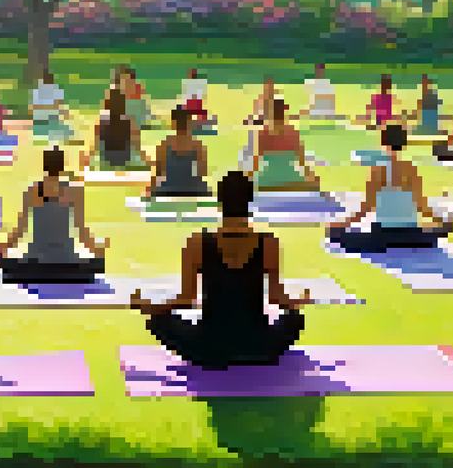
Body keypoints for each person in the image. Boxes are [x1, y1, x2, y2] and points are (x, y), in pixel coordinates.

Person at [129, 172, 312, 370]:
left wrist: (150, 307)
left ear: (220, 202)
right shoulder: (268, 243)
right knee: (295, 318)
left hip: (207, 347)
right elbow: (277, 298)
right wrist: (297, 302)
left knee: (157, 320)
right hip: (258, 347)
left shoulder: (197, 242)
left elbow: (187, 298)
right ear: (250, 202)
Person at [0, 148, 108, 284]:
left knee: (9, 264)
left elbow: (19, 233)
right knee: (92, 265)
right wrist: (99, 250)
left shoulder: (31, 191)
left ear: (44, 166)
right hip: (66, 261)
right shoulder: (74, 192)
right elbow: (82, 234)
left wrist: (2, 248)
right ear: (62, 167)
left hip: (36, 262)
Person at [328, 124, 452, 252]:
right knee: (428, 234)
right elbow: (421, 205)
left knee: (337, 236)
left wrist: (344, 224)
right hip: (412, 234)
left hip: (384, 235)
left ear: (383, 141)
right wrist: (440, 220)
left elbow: (368, 206)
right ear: (404, 143)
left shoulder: (378, 169)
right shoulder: (411, 170)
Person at [250, 98, 320, 192]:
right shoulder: (293, 133)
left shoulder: (263, 134)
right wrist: (312, 179)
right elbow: (302, 162)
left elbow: (256, 163)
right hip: (291, 180)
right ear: (284, 114)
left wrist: (248, 178)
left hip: (267, 180)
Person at [147, 107, 212, 198]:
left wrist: (151, 190)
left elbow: (158, 172)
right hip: (193, 189)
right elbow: (202, 172)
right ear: (189, 123)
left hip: (169, 189)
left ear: (174, 123)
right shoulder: (198, 146)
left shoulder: (164, 145)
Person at [88, 89, 146, 169]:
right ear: (123, 106)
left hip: (107, 160)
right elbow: (135, 145)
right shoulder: (127, 123)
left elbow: (98, 145)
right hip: (124, 160)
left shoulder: (103, 123)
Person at [31, 72, 74, 143]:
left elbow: (35, 106)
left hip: (43, 119)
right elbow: (57, 105)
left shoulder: (38, 90)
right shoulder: (53, 89)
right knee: (63, 131)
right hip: (48, 118)